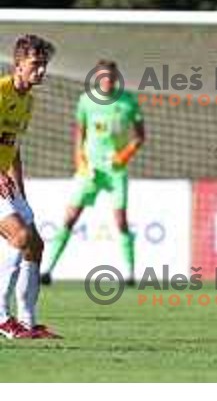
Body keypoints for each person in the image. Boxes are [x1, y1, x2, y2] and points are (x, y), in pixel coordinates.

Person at [41, 60, 145, 286]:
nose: (107, 81)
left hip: (116, 170)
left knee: (121, 221)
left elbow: (139, 136)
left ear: (116, 78)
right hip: (90, 169)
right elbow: (80, 132)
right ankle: (47, 270)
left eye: (111, 77)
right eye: (103, 77)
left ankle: (129, 273)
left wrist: (125, 154)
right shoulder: (86, 101)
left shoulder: (128, 101)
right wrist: (79, 159)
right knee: (70, 217)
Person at [0, 34, 60, 339]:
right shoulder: (0, 91)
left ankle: (27, 321)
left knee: (35, 244)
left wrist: (19, 190)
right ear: (18, 64)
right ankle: (0, 317)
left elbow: (12, 145)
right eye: (35, 64)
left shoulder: (27, 100)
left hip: (5, 180)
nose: (41, 71)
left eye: (44, 65)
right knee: (20, 237)